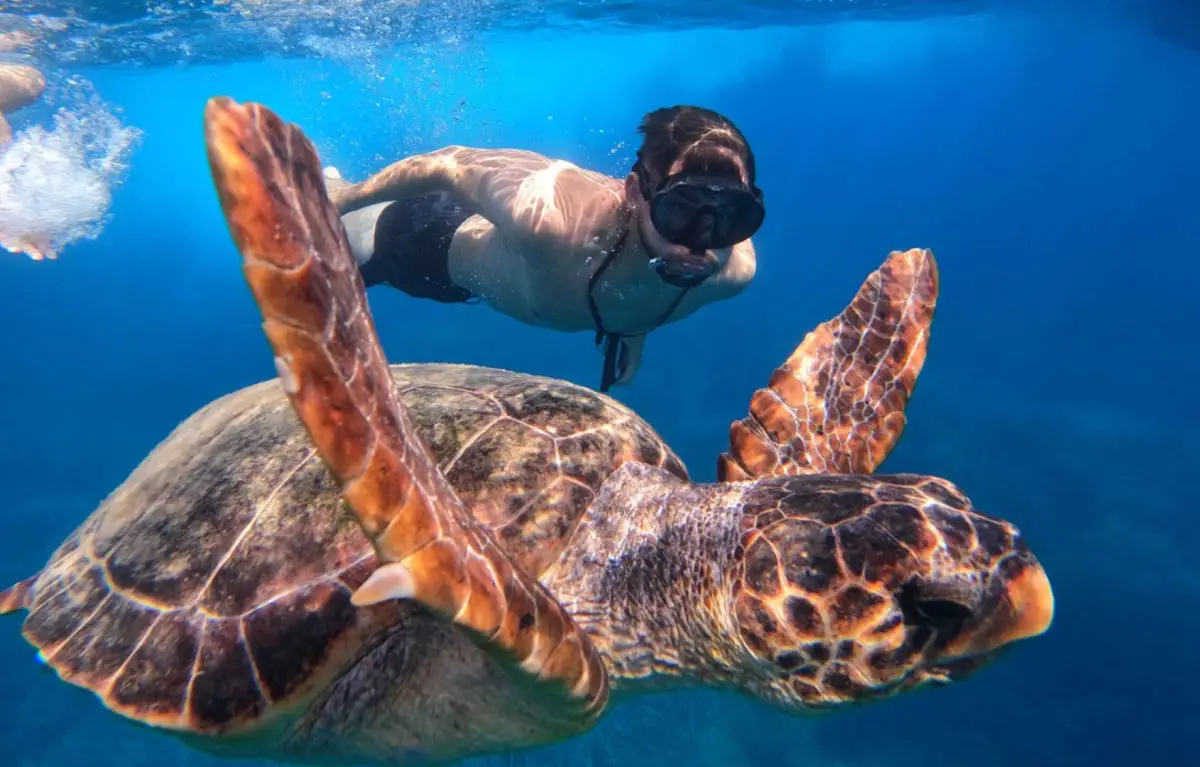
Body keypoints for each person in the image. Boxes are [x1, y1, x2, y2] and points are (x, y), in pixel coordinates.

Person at [326, 105, 765, 391]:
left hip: (484, 282)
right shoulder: (551, 223)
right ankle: (331, 182)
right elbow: (448, 164)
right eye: (681, 210)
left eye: (732, 216)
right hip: (426, 240)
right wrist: (345, 200)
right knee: (334, 240)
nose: (701, 240)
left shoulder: (733, 271)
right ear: (635, 193)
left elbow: (648, 273)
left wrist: (634, 326)